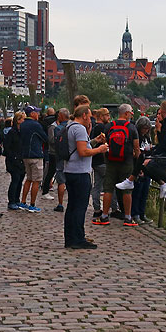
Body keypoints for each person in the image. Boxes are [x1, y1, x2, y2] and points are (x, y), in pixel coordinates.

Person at [62, 106, 109, 249]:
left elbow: (79, 147)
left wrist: (94, 141)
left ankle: (70, 237)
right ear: (84, 116)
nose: (91, 119)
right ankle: (78, 238)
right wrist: (100, 150)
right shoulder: (80, 129)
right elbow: (83, 152)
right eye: (89, 117)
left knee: (72, 206)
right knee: (79, 207)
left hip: (70, 170)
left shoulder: (70, 126)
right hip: (80, 172)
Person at [96, 104, 140, 227]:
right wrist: (136, 160)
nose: (132, 114)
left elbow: (105, 144)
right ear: (126, 113)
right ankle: (128, 217)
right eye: (131, 112)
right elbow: (136, 148)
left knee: (108, 189)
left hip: (111, 162)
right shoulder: (131, 128)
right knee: (127, 190)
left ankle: (104, 216)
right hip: (127, 162)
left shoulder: (109, 126)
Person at [18, 106, 46, 212]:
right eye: (37, 112)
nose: (38, 114)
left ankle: (23, 201)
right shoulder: (35, 125)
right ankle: (32, 204)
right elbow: (44, 137)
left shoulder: (23, 124)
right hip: (35, 154)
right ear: (32, 114)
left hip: (25, 155)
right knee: (36, 180)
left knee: (28, 179)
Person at [130, 116, 154, 224]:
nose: (146, 130)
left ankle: (142, 213)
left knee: (144, 192)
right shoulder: (136, 137)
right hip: (138, 166)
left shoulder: (147, 138)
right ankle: (135, 213)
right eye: (144, 128)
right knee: (137, 192)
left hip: (147, 167)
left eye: (147, 128)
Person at [46, 108, 70, 211]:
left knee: (61, 181)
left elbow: (55, 142)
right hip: (72, 157)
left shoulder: (58, 128)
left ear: (60, 116)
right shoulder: (73, 126)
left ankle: (60, 204)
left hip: (60, 156)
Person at [89, 108, 110, 221]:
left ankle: (97, 208)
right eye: (107, 115)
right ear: (101, 116)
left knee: (97, 185)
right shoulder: (102, 128)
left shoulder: (94, 126)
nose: (109, 117)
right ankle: (113, 208)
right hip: (102, 160)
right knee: (110, 185)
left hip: (95, 160)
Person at [4, 112, 26, 210]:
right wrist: (13, 157)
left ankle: (17, 199)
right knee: (15, 180)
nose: (24, 121)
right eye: (23, 119)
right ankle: (12, 200)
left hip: (21, 160)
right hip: (14, 160)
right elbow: (7, 147)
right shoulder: (12, 132)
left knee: (20, 180)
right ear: (18, 120)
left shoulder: (22, 132)